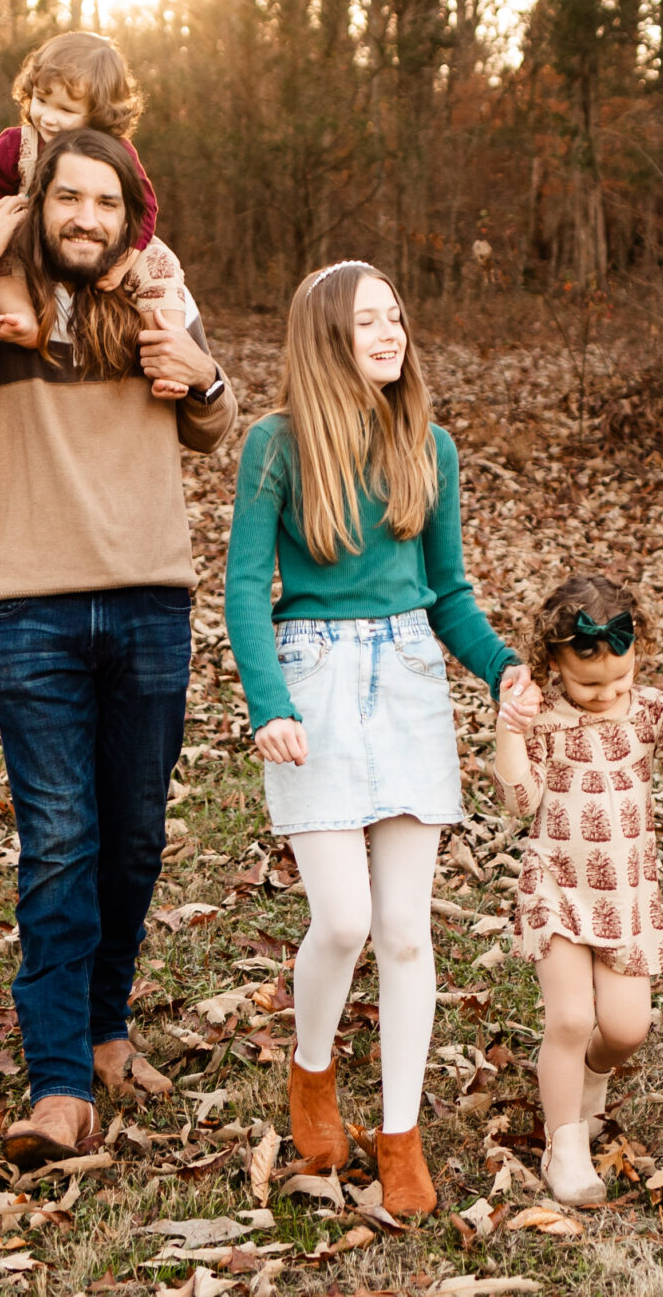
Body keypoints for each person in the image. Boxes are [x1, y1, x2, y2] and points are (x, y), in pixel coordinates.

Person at [0, 126, 236, 1169]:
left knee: (130, 837)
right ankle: (58, 1086)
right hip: (33, 608)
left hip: (149, 604)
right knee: (58, 838)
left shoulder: (155, 297)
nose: (86, 216)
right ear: (37, 205)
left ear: (130, 213)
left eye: (106, 201)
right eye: (66, 198)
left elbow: (211, 425)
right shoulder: (0, 310)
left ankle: (104, 1027)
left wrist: (208, 374)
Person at [224, 260, 541, 1219]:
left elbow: (447, 590)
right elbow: (244, 587)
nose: (390, 332)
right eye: (368, 321)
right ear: (326, 336)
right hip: (313, 682)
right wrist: (269, 703)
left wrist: (503, 668)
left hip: (407, 682)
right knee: (346, 923)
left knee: (405, 933)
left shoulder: (429, 446)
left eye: (396, 317)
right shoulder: (276, 446)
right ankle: (312, 1076)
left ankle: (399, 1133)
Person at [492, 574, 663, 1205]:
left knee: (626, 1030)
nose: (606, 695)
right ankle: (564, 1146)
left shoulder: (651, 710)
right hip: (558, 885)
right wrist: (509, 731)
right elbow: (520, 801)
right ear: (553, 666)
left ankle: (589, 1080)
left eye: (619, 682)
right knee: (571, 1019)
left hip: (625, 892)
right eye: (588, 684)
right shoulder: (542, 715)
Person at [0, 30, 197, 397]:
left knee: (161, 263)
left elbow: (145, 204)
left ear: (97, 115)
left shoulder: (115, 151)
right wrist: (7, 220)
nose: (48, 117)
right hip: (28, 240)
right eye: (41, 100)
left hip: (102, 245)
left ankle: (169, 349)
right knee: (0, 266)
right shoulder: (17, 143)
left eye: (66, 110)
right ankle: (24, 318)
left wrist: (128, 258)